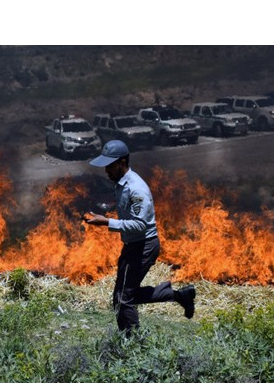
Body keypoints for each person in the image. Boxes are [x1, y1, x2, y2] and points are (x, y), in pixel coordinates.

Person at [83, 139, 196, 335]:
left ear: (123, 162)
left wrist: (107, 222)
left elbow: (140, 225)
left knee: (123, 299)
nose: (106, 171)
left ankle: (132, 344)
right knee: (126, 295)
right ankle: (179, 296)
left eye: (110, 166)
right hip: (134, 245)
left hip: (143, 246)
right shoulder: (122, 183)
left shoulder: (136, 188)